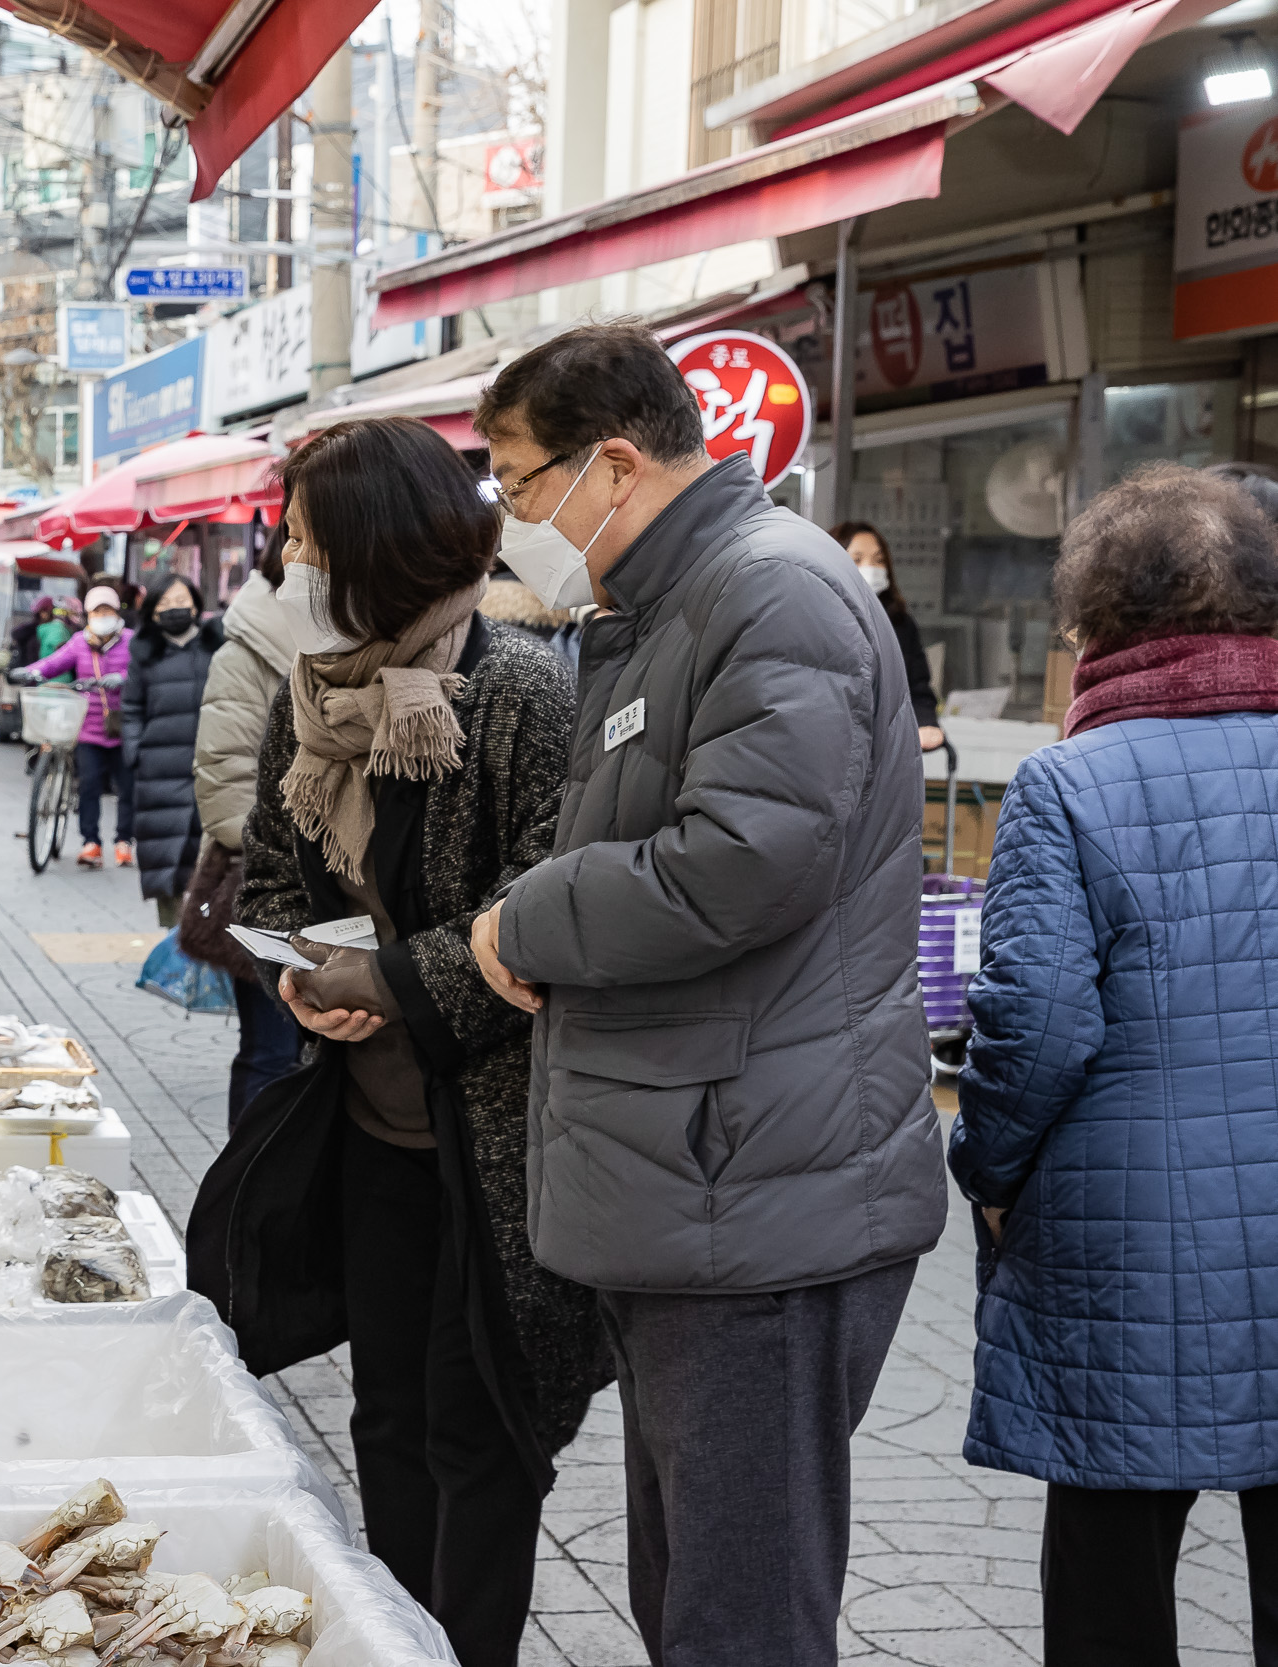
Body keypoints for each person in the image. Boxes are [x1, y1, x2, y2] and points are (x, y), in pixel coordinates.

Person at [466, 322, 947, 1665]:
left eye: (516, 479)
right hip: (705, 1179)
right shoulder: (670, 601)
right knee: (693, 1593)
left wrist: (531, 914)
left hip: (764, 1191)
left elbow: (739, 862)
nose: (511, 516)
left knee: (741, 1611)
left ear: (610, 465)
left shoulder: (768, 590)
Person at [187, 417, 606, 1667]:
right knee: (386, 1414)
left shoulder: (527, 692)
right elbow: (269, 879)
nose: (290, 560)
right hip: (365, 1120)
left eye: (308, 540)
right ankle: (391, 1638)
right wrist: (305, 979)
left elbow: (546, 902)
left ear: (375, 547)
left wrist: (399, 981)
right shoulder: (312, 695)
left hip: (498, 1140)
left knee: (481, 1430)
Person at [949, 463, 1278, 1665]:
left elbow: (1032, 1023)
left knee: (1110, 1565)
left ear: (1099, 621)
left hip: (1129, 1246)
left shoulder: (1067, 782)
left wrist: (983, 1163)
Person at [188, 535, 303, 1127]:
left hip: (350, 902)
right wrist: (285, 859)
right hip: (268, 885)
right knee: (271, 1052)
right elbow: (223, 782)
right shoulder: (247, 651)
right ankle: (246, 1195)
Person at [119, 578, 222, 925]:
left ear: (195, 605)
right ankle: (172, 939)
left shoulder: (217, 647)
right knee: (165, 857)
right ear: (153, 611)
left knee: (209, 857)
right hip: (159, 770)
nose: (174, 608)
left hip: (209, 766)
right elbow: (131, 708)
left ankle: (206, 938)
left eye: (181, 599)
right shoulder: (145, 652)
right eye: (165, 602)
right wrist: (135, 752)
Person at [13, 584, 133, 867]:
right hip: (88, 728)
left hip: (124, 728)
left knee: (127, 788)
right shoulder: (79, 642)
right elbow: (55, 662)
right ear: (88, 615)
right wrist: (31, 671)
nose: (103, 616)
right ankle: (91, 843)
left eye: (108, 611)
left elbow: (145, 668)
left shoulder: (131, 641)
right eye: (97, 611)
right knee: (89, 786)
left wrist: (124, 678)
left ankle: (124, 841)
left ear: (116, 613)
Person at [828, 522, 945, 753]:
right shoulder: (821, 619)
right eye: (857, 560)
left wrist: (926, 723)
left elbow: (918, 689)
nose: (870, 568)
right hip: (832, 751)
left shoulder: (901, 624)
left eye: (879, 560)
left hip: (886, 754)